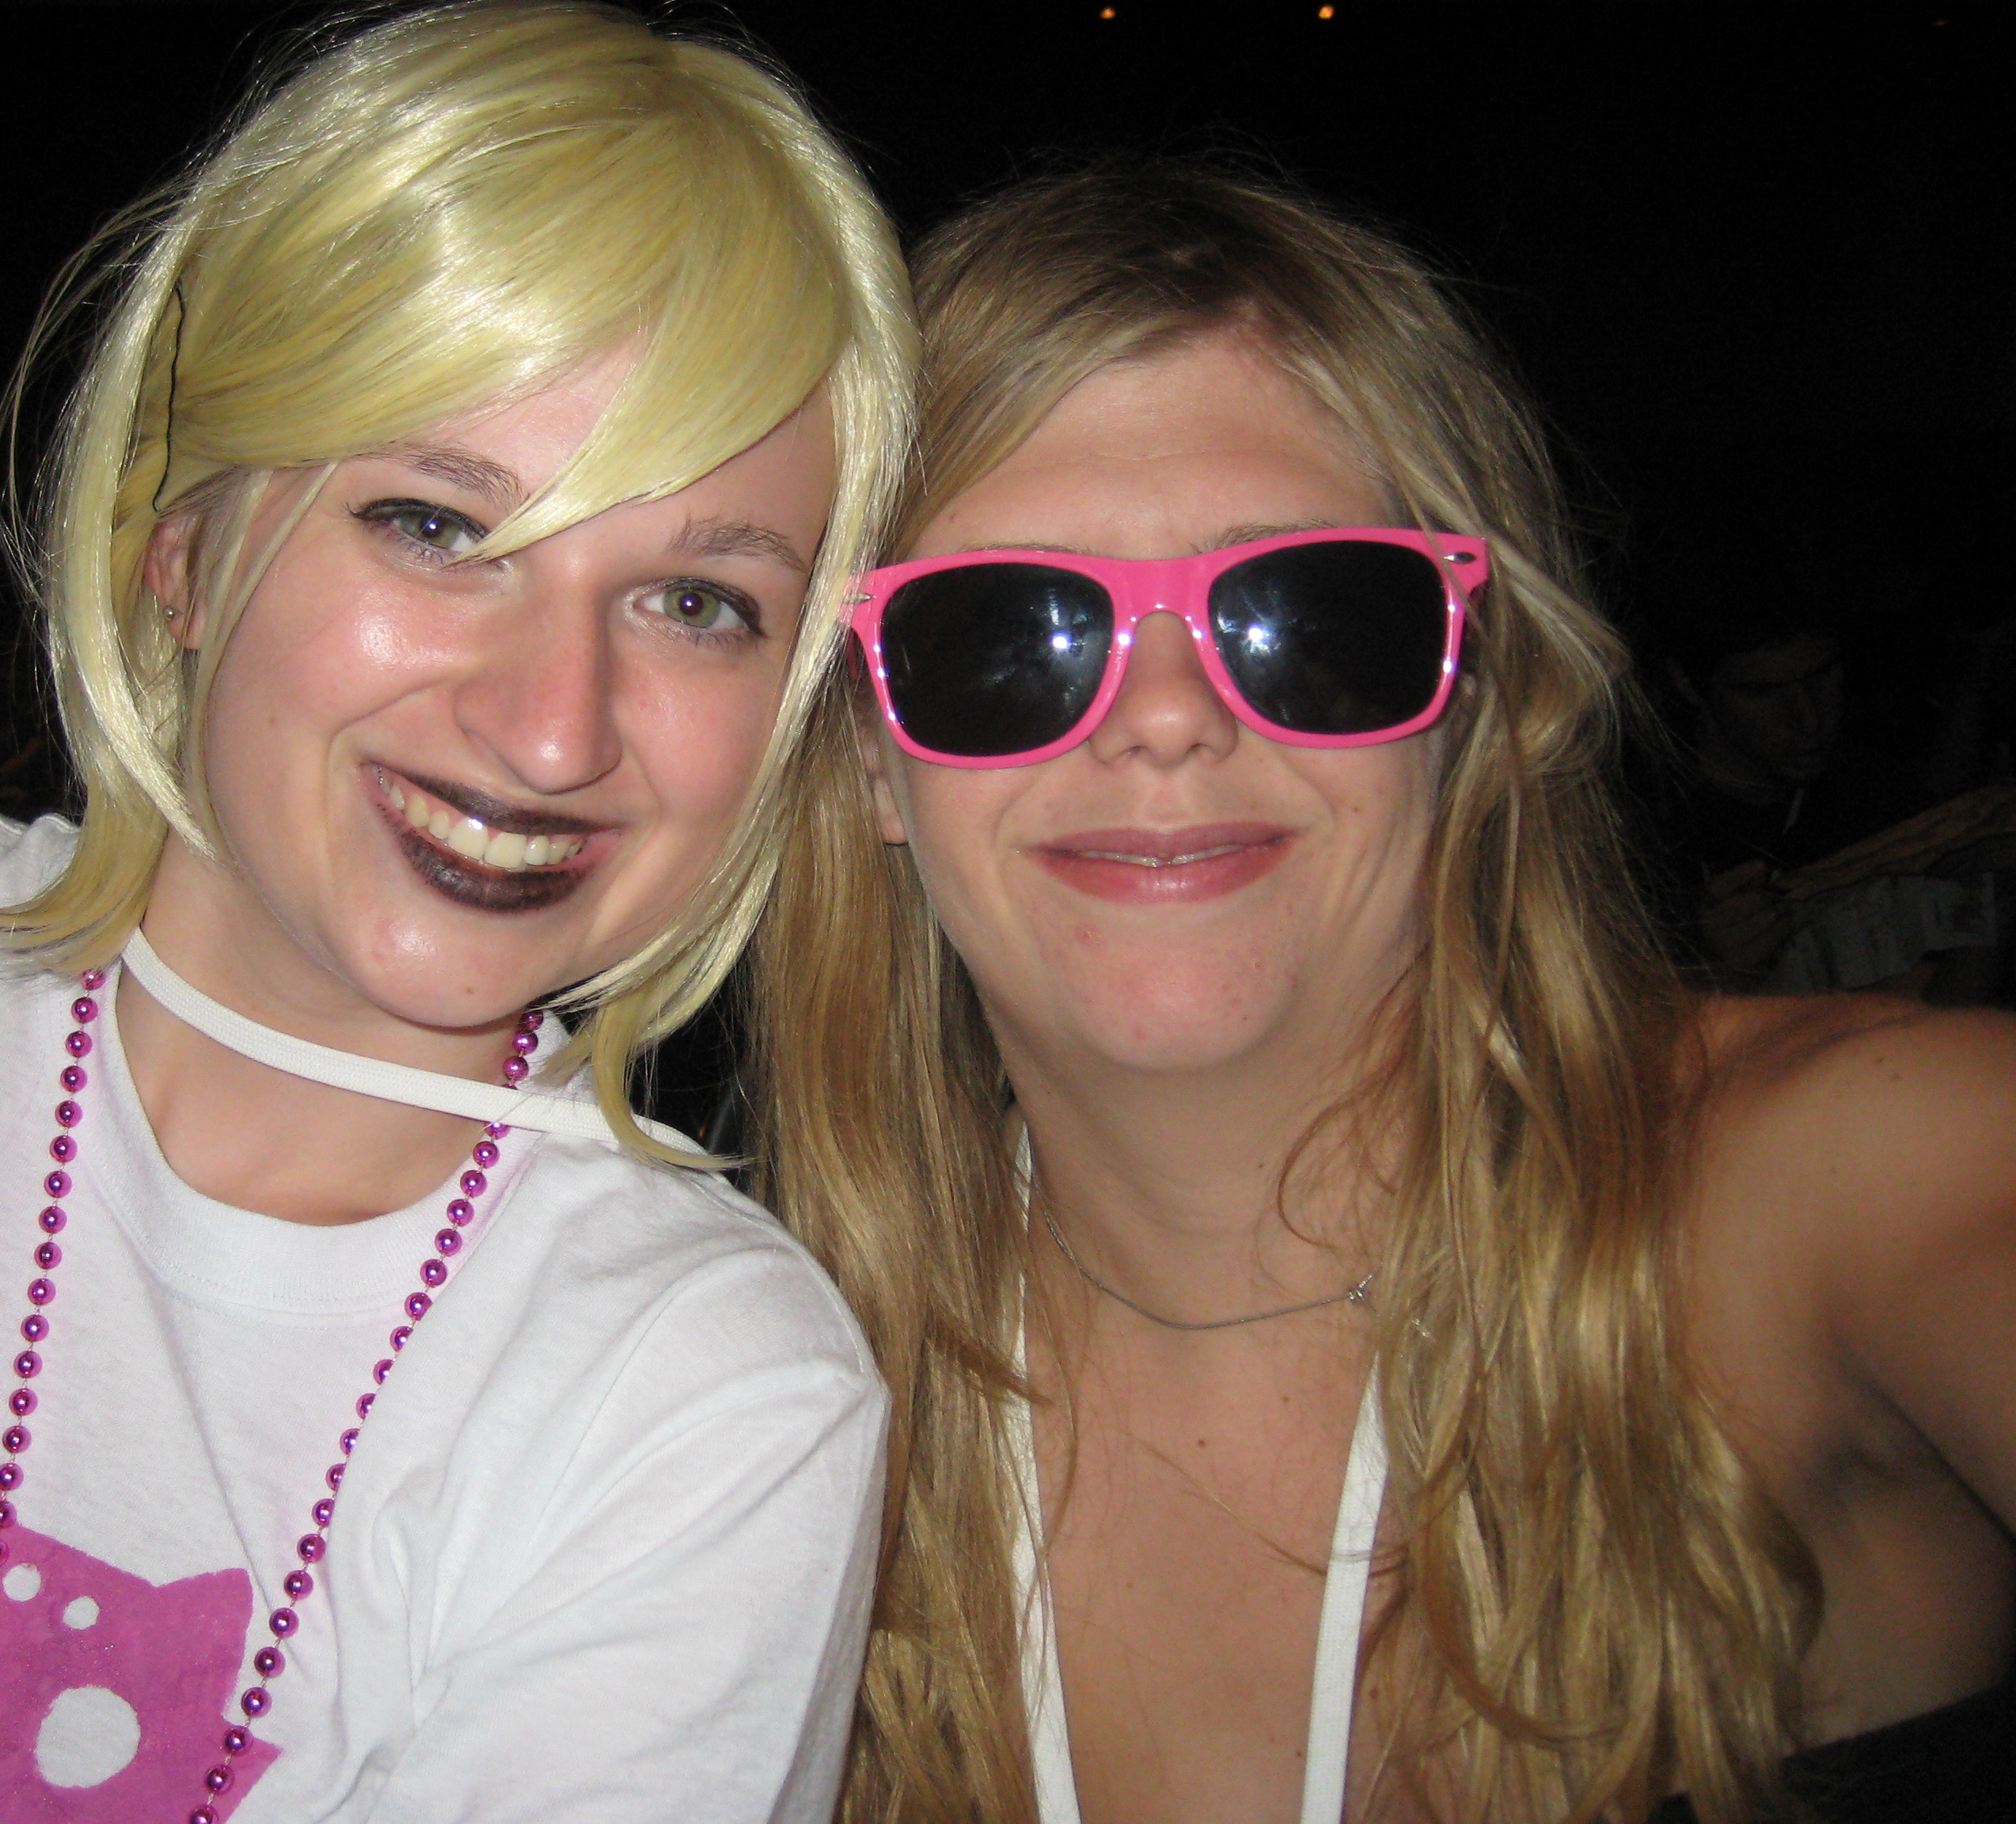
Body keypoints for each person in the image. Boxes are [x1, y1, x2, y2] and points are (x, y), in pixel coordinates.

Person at [0, 5, 913, 1818]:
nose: (553, 728)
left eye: (697, 603)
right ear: (185, 546)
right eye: (437, 525)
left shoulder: (705, 1401)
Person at [750, 162, 2014, 1822]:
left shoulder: (1841, 1184)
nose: (1167, 717)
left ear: (1469, 685)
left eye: (1311, 613)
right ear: (865, 749)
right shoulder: (767, 1408)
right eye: (1005, 632)